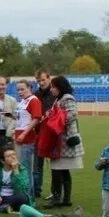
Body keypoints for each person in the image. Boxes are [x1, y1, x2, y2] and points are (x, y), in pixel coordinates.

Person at [45, 75, 84, 207]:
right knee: (63, 169)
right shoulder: (59, 99)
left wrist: (56, 119)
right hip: (60, 139)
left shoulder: (67, 98)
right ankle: (65, 199)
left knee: (57, 169)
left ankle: (57, 198)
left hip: (64, 140)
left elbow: (73, 114)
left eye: (53, 87)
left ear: (59, 87)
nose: (51, 89)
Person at [13, 79, 43, 200]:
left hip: (27, 140)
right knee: (22, 167)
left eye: (22, 89)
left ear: (29, 88)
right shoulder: (22, 102)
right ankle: (24, 194)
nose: (20, 92)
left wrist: (24, 134)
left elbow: (36, 119)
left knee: (26, 169)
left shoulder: (33, 100)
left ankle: (29, 196)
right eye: (18, 90)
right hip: (19, 139)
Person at [0, 147, 32, 213]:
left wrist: (16, 171)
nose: (13, 157)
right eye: (9, 156)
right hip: (0, 197)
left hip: (14, 197)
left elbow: (22, 189)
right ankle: (4, 207)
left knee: (23, 197)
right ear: (2, 161)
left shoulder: (22, 169)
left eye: (14, 154)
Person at [32, 68, 56, 202]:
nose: (41, 82)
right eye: (38, 80)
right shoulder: (35, 96)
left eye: (43, 79)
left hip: (52, 134)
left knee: (55, 166)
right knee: (37, 165)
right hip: (38, 134)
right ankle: (36, 190)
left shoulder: (55, 94)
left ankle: (55, 192)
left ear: (49, 78)